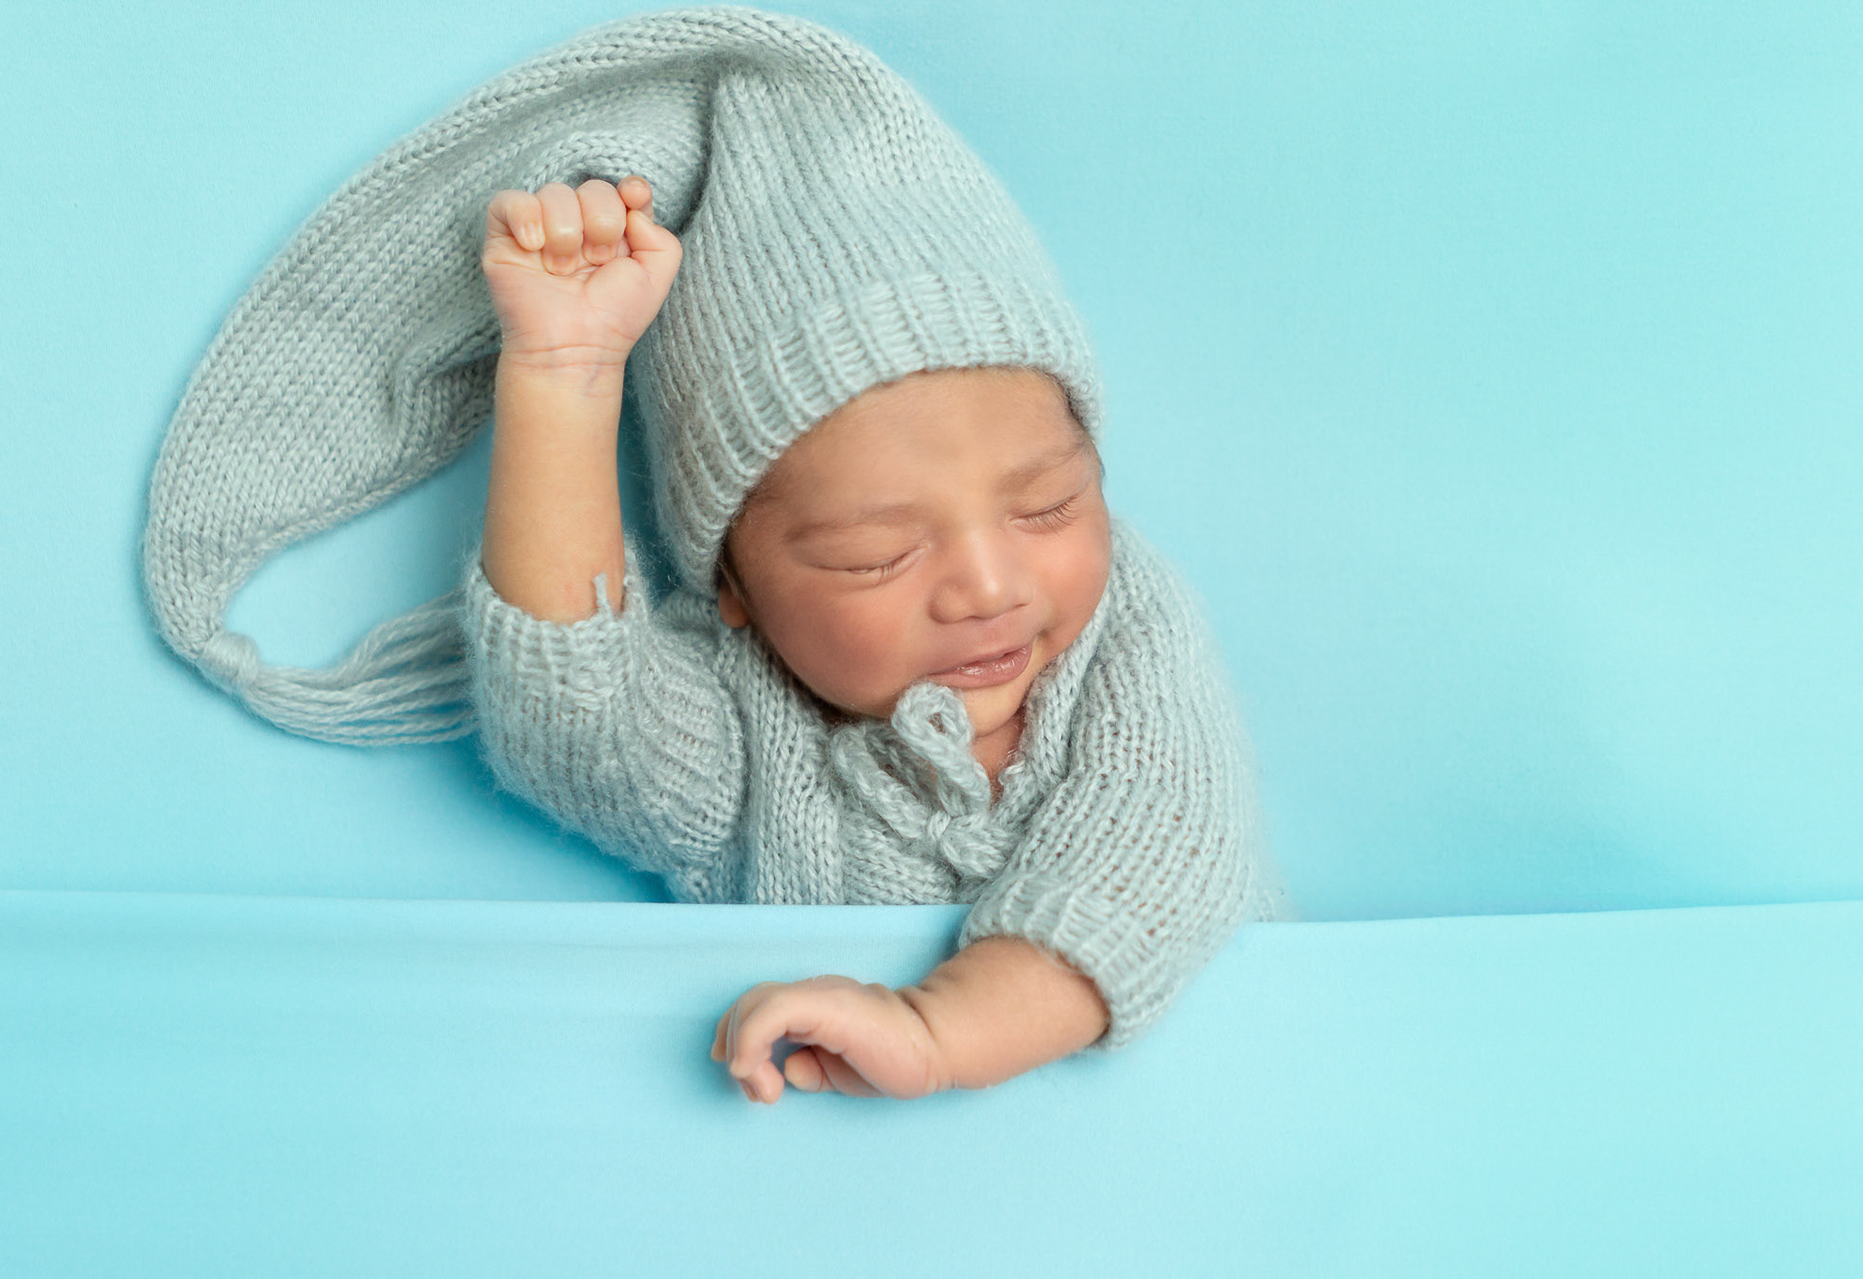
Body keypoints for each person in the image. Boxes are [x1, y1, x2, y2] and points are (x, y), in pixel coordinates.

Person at [139, 6, 1291, 1105]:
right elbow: (577, 727)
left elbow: (1160, 850)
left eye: (1048, 507)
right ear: (732, 589)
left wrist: (941, 1032)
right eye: (872, 555)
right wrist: (564, 381)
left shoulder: (1128, 631)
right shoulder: (746, 729)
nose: (991, 586)